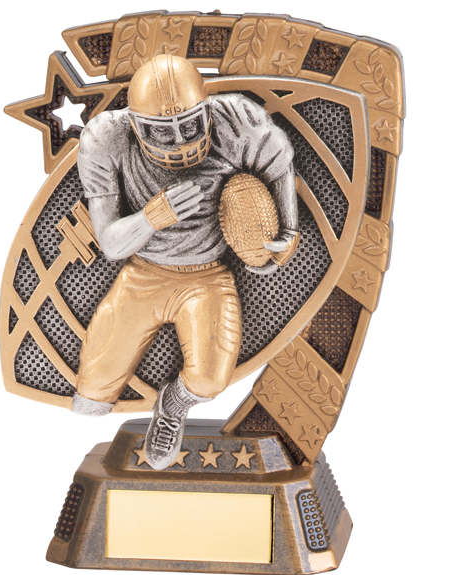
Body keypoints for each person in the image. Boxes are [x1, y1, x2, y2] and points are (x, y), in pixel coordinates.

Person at [72, 54, 300, 470]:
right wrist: (150, 218)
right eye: (162, 131)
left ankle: (173, 406)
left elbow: (280, 162)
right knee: (91, 393)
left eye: (189, 125)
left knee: (211, 379)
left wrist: (288, 229)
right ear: (135, 125)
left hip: (207, 276)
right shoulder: (107, 137)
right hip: (143, 273)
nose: (178, 141)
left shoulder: (235, 120)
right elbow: (110, 244)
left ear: (207, 113)